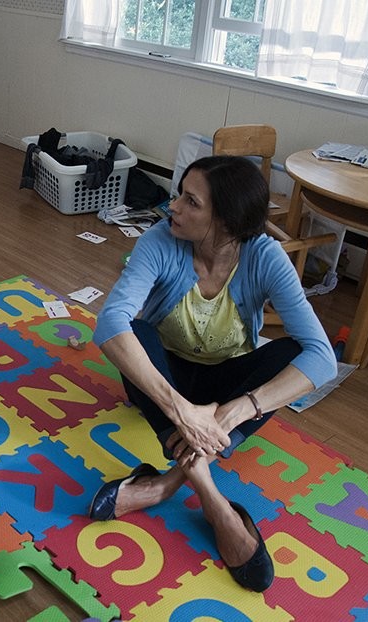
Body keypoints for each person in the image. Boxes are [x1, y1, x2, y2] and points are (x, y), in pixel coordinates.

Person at [88, 155, 335, 592]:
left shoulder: (264, 256)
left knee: (293, 352)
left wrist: (235, 411)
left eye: (191, 201)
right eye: (180, 193)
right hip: (166, 381)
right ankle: (209, 492)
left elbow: (322, 357)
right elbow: (110, 323)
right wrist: (183, 412)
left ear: (226, 220)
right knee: (134, 333)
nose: (174, 207)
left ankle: (166, 484)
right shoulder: (160, 241)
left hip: (225, 388)